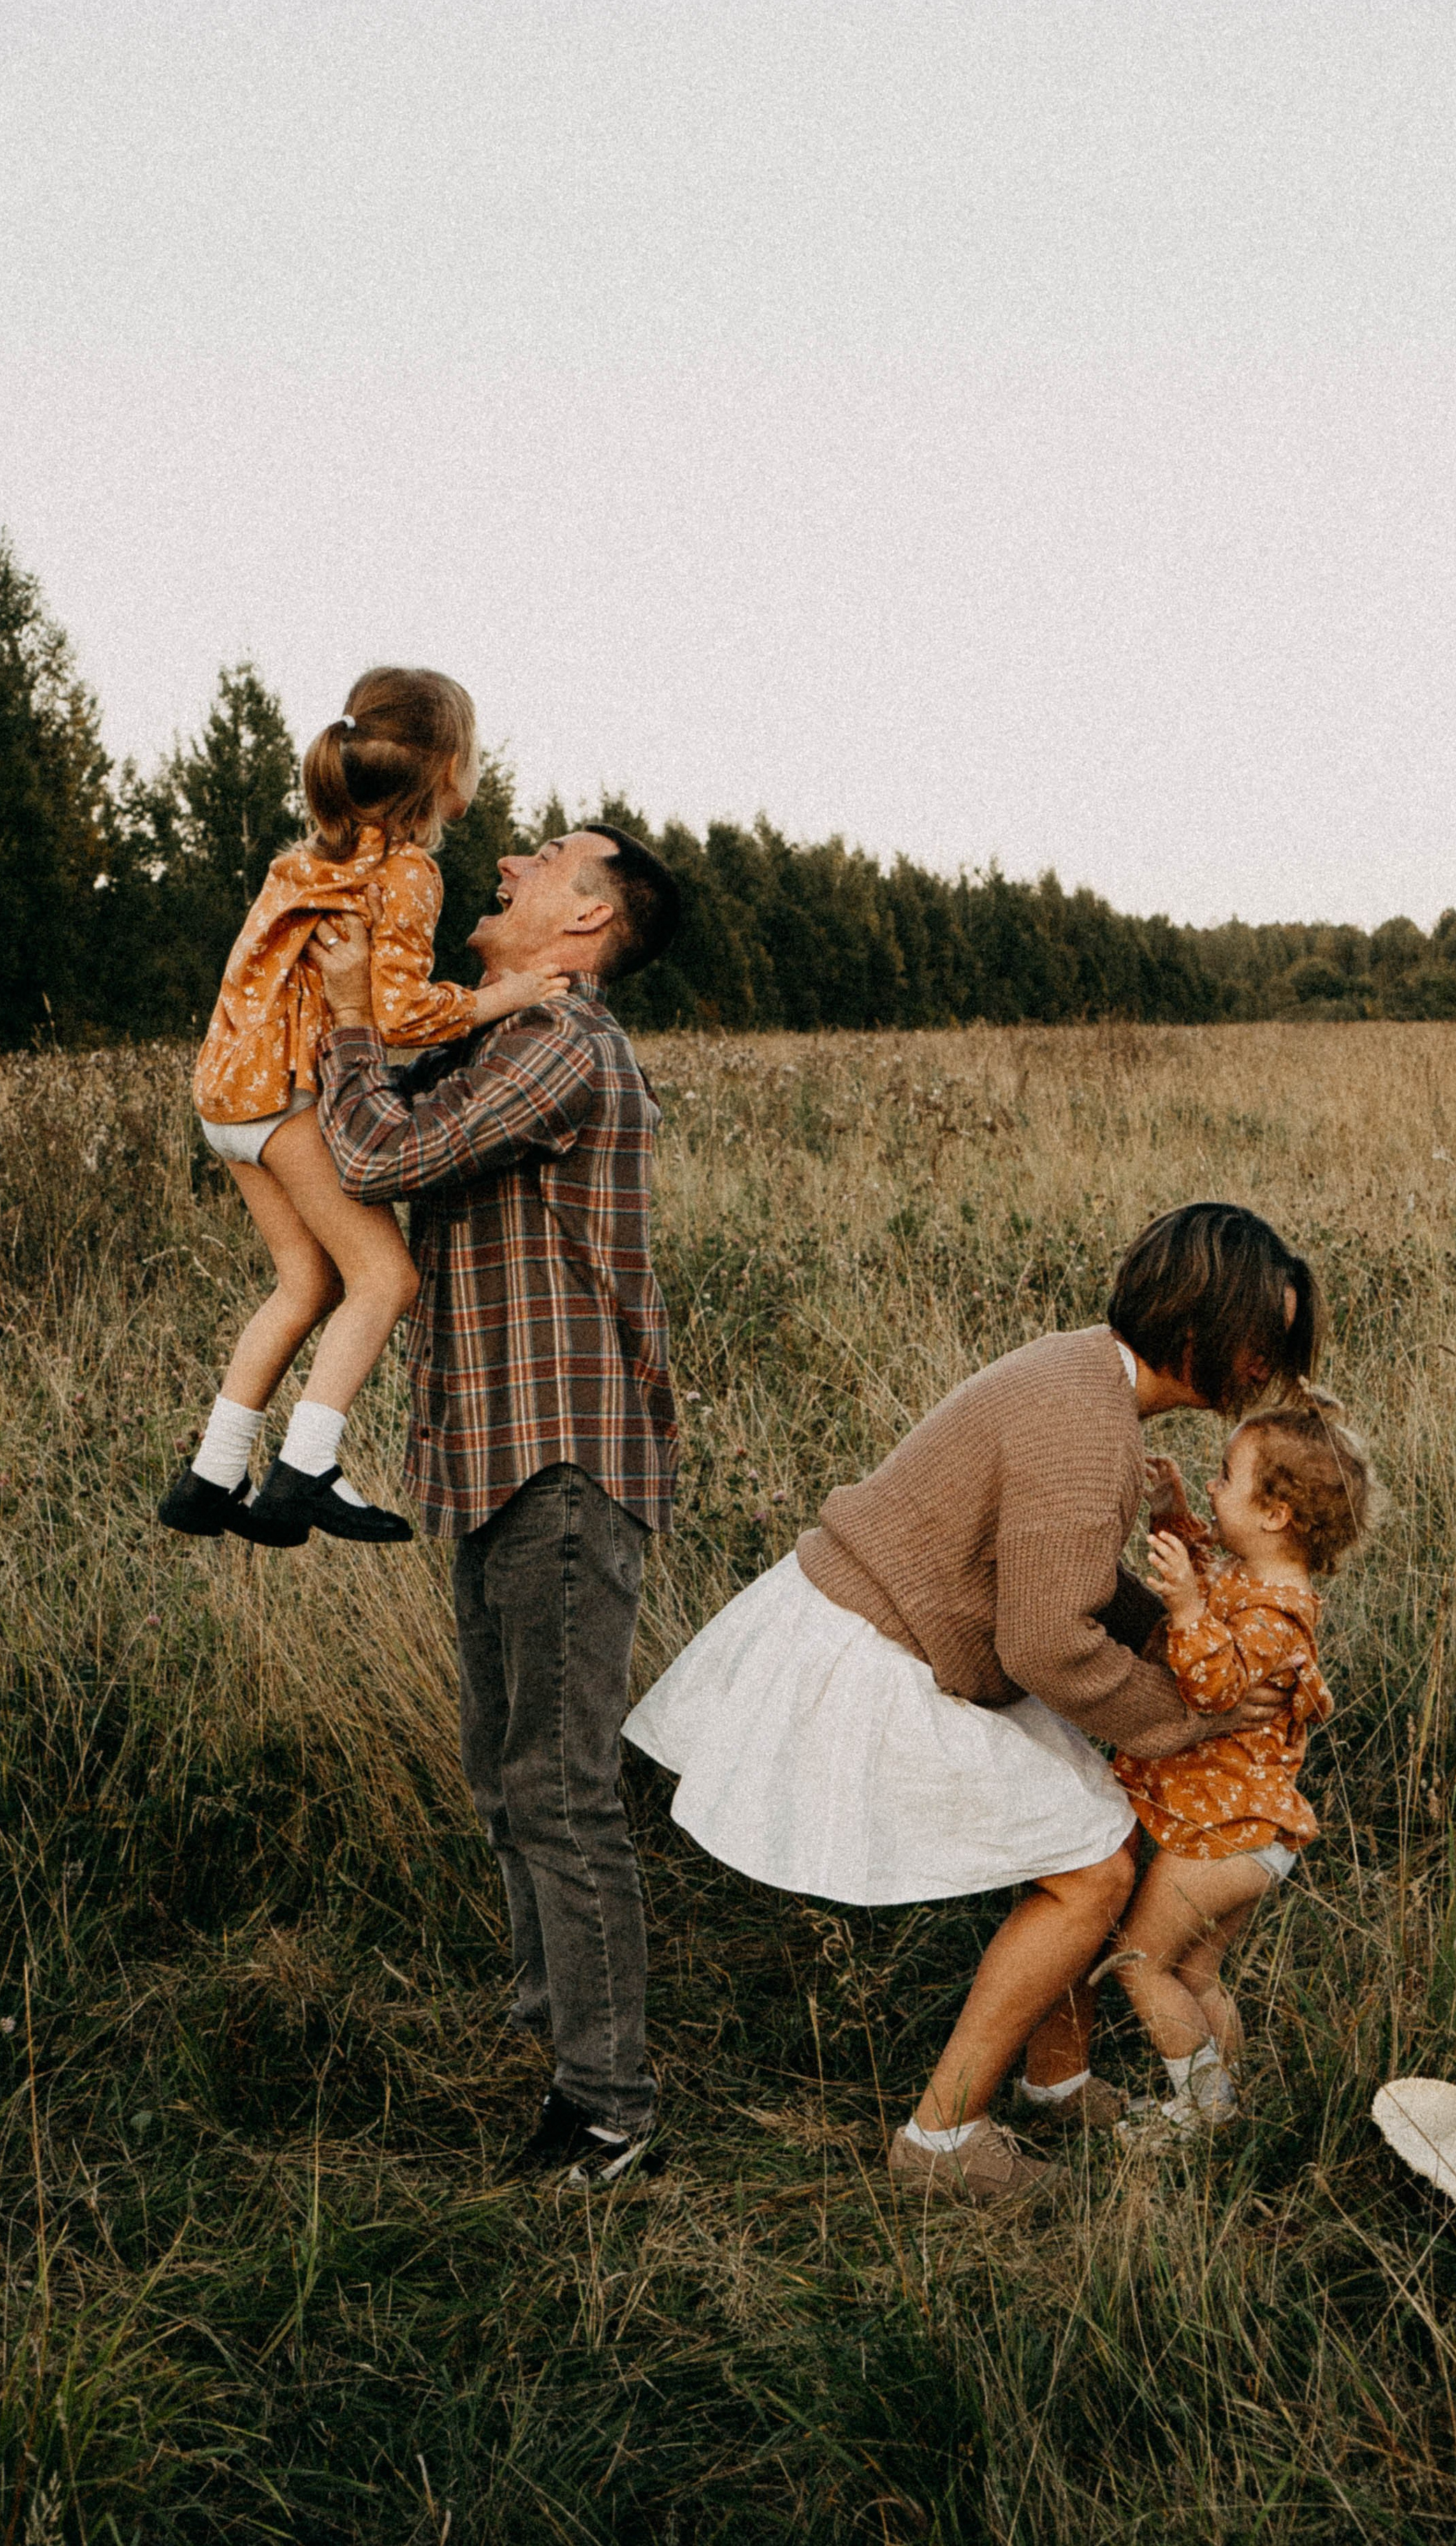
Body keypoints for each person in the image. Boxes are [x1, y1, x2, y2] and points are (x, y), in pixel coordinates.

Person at [623, 1201, 1320, 2205]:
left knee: (1093, 1825)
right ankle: (941, 2140)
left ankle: (1056, 2082)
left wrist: (1170, 1650)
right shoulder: (1090, 1431)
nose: (1269, 1365)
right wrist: (1193, 1718)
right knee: (1091, 1870)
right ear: (1198, 1320)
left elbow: (1061, 1581)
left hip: (907, 1628)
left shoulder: (1086, 1374)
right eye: (1263, 1337)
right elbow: (1047, 1643)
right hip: (870, 1652)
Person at [305, 824, 683, 2187]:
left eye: (544, 856)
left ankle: (608, 2110)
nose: (510, 860)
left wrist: (354, 1016)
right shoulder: (499, 1036)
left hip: (559, 1467)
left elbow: (376, 1159)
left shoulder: (561, 1044)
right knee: (506, 1777)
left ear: (585, 920)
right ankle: (555, 2046)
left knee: (558, 1788)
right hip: (495, 1463)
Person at [158, 668, 555, 1550]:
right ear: (447, 769)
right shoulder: (405, 872)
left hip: (227, 1096)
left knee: (307, 1285)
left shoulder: (307, 860)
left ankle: (211, 1475)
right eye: (475, 751)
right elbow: (403, 1014)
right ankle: (305, 1469)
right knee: (387, 1280)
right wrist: (507, 995)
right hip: (286, 1098)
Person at [1106, 1399, 1381, 2141]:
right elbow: (1207, 1573)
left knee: (1138, 1961)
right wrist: (1173, 1514)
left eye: (1226, 1476)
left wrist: (1185, 1611)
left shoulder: (1277, 1615)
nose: (1213, 1484)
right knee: (1196, 1974)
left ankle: (1202, 2110)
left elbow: (1213, 1685)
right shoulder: (1253, 1577)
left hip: (1224, 1834)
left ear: (1274, 1514)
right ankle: (1227, 2111)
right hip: (1252, 1832)